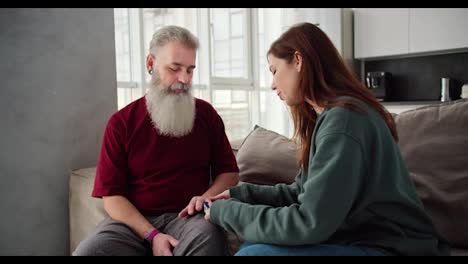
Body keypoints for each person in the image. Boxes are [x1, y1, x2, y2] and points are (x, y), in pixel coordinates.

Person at [204, 23, 450, 256]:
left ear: (298, 61)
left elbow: (309, 222)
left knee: (255, 254)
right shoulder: (332, 117)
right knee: (255, 243)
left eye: (274, 70)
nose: (272, 84)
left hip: (390, 247)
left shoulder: (344, 122)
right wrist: (239, 195)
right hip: (360, 239)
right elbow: (301, 193)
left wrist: (225, 212)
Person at [73, 25, 239, 256]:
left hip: (189, 220)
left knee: (209, 238)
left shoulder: (206, 115)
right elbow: (112, 198)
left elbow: (229, 173)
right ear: (150, 63)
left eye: (190, 70)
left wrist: (207, 196)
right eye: (175, 68)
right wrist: (152, 235)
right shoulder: (121, 123)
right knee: (89, 252)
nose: (184, 79)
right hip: (131, 224)